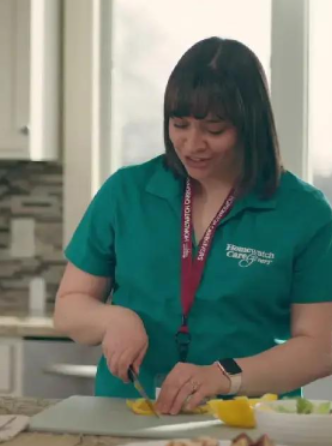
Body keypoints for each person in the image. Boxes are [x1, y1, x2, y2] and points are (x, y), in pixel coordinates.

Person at [54, 37, 332, 416]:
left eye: (214, 130)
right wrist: (112, 318)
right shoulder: (127, 191)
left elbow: (320, 346)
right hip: (123, 416)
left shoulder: (304, 212)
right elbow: (69, 307)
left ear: (250, 126)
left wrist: (223, 376)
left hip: (251, 424)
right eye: (179, 124)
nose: (191, 144)